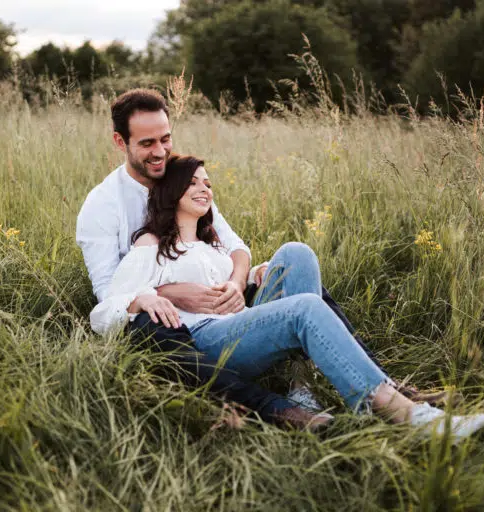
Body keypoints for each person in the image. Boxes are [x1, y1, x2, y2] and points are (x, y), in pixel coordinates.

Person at [90, 154, 484, 440]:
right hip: (210, 341)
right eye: (193, 182)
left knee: (295, 252)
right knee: (305, 308)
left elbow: (238, 274)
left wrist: (257, 275)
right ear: (172, 191)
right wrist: (142, 297)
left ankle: (301, 387)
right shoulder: (153, 245)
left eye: (207, 182)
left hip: (241, 327)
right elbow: (103, 310)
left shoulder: (213, 245)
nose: (204, 188)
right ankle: (405, 413)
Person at [77, 88, 329, 429]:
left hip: (222, 302)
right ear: (120, 143)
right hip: (172, 324)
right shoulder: (102, 204)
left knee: (294, 271)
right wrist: (165, 292)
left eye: (165, 139)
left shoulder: (184, 176)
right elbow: (109, 295)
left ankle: (334, 381)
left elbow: (233, 246)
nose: (160, 151)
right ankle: (272, 407)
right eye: (147, 143)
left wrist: (238, 282)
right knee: (150, 327)